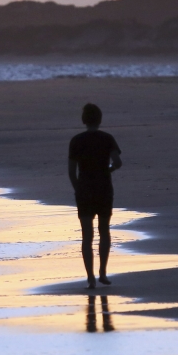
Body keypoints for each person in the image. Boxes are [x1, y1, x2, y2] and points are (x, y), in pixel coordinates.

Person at [68, 103, 122, 290]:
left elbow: (71, 172)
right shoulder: (107, 138)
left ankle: (90, 277)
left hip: (84, 190)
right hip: (104, 188)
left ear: (84, 120)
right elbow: (117, 162)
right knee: (104, 231)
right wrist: (108, 170)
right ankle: (103, 273)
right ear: (100, 119)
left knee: (87, 236)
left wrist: (78, 189)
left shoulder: (76, 140)